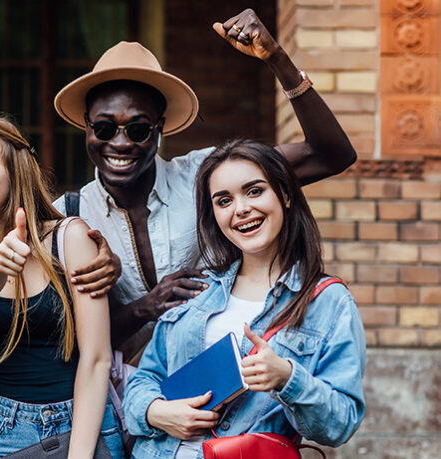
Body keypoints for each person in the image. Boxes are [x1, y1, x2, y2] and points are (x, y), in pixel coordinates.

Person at [52, 9, 358, 362]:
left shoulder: (208, 176)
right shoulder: (67, 218)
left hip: (221, 393)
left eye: (138, 129)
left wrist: (277, 59)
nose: (120, 143)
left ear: (160, 128)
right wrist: (143, 309)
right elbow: (62, 344)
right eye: (104, 128)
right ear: (86, 127)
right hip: (119, 404)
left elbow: (331, 155)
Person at [122, 139, 366, 458]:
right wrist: (155, 412)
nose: (241, 209)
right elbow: (144, 379)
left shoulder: (328, 302)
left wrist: (287, 378)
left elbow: (339, 425)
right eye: (224, 200)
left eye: (254, 191)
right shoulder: (197, 289)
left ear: (287, 195)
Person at [0, 113, 124, 458]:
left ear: (15, 171)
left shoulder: (70, 239)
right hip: (6, 432)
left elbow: (97, 359)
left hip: (87, 424)